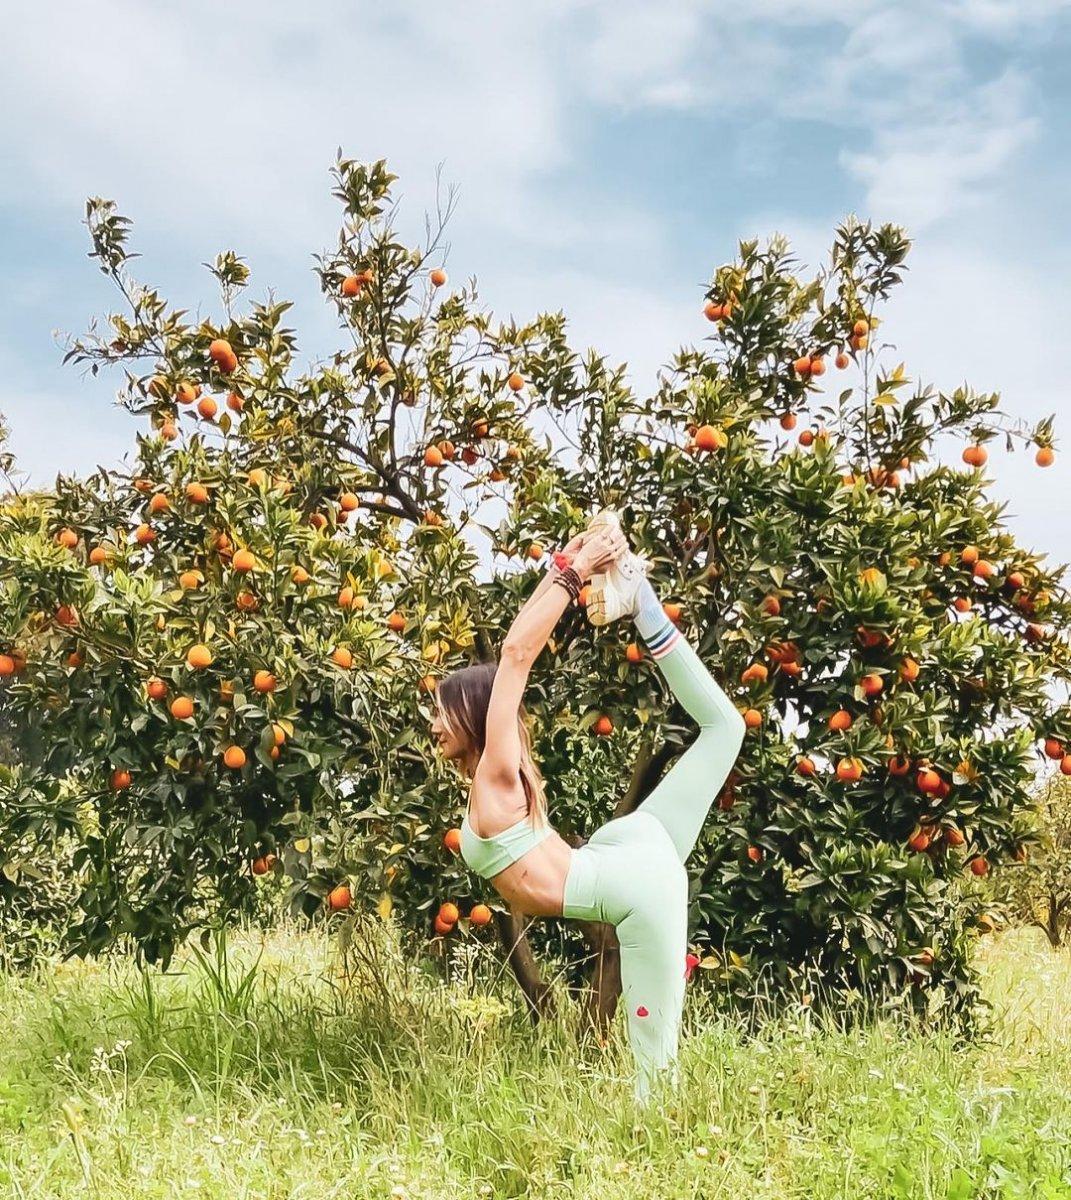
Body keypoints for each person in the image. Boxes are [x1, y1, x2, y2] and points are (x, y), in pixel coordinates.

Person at [430, 509, 746, 1104]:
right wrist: (564, 563)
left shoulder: (500, 767)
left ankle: (658, 1168)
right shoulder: (493, 775)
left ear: (474, 715)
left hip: (635, 883)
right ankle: (639, 595)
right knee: (725, 729)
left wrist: (570, 573)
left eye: (443, 710)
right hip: (624, 850)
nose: (433, 723)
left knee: (656, 1071)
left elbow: (517, 652)